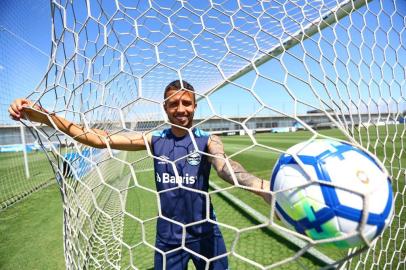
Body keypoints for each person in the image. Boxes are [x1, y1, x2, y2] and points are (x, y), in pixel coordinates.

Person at [9, 80, 271, 270]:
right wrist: (44, 117)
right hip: (168, 237)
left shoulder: (207, 140)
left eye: (187, 103)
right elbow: (100, 139)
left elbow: (226, 167)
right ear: (165, 108)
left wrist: (261, 187)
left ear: (195, 106)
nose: (181, 109)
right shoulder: (155, 139)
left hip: (206, 232)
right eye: (174, 104)